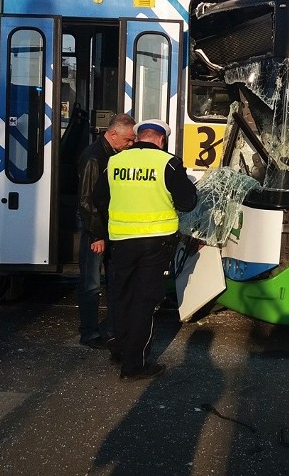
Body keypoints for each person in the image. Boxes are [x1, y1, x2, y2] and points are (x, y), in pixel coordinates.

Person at [93, 119, 198, 381]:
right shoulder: (168, 163)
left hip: (121, 241)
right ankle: (134, 365)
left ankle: (120, 348)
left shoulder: (115, 162)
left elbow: (98, 200)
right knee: (145, 301)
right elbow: (187, 203)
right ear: (161, 140)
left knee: (122, 296)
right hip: (155, 243)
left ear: (139, 137)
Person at [76, 112, 136, 349]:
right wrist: (97, 235)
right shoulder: (94, 158)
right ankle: (89, 333)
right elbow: (87, 201)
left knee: (112, 279)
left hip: (107, 226)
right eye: (128, 140)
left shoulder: (110, 154)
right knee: (91, 281)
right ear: (112, 134)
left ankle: (112, 329)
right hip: (96, 228)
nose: (131, 144)